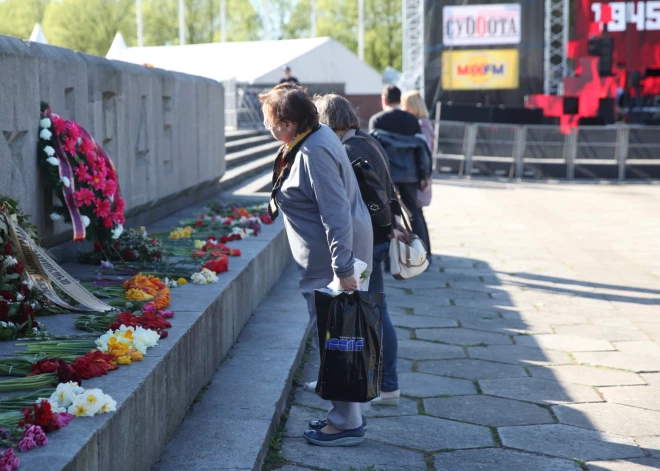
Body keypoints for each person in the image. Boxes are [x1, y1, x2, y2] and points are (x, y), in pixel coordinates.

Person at [259, 83, 372, 447]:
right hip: (331, 260)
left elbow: (335, 212)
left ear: (289, 123)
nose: (268, 128)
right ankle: (348, 414)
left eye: (270, 122)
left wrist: (344, 270)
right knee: (342, 337)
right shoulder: (314, 136)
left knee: (338, 338)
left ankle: (346, 422)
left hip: (333, 262)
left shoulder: (314, 151)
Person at [314, 93, 404, 406]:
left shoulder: (347, 150)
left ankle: (385, 385)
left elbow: (344, 203)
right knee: (376, 311)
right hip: (380, 236)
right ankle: (376, 382)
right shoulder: (369, 141)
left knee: (371, 314)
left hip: (367, 241)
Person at [369, 85, 432, 260]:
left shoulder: (377, 120)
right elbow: (422, 149)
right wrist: (424, 174)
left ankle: (390, 259)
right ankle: (423, 255)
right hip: (410, 175)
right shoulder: (412, 120)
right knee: (414, 214)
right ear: (399, 100)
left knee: (388, 215)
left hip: (386, 175)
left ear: (384, 100)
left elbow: (372, 151)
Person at [401, 90, 434, 207]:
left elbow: (424, 150)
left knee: (415, 210)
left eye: (404, 105)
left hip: (420, 172)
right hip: (420, 171)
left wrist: (424, 175)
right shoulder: (422, 122)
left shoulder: (421, 124)